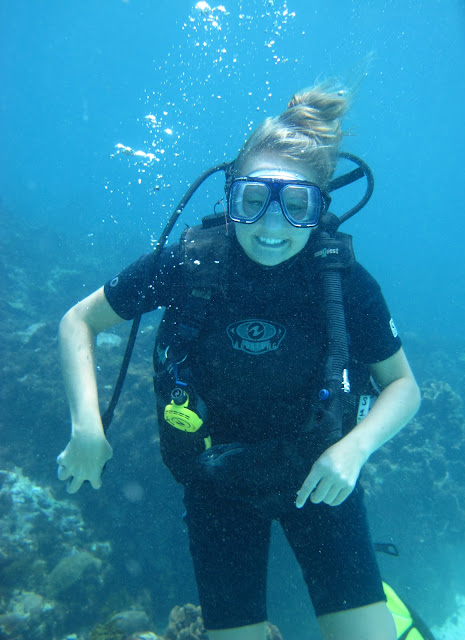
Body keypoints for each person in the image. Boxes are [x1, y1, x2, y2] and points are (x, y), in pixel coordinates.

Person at [57, 81, 421, 640]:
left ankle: (392, 613)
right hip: (216, 483)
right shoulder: (187, 264)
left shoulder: (343, 280)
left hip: (321, 474)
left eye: (296, 206)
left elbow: (402, 386)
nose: (272, 227)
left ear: (320, 208)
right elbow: (79, 321)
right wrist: (87, 426)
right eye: (254, 200)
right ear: (230, 196)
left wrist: (355, 448)